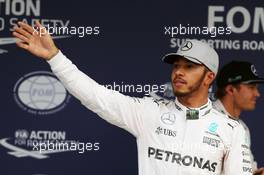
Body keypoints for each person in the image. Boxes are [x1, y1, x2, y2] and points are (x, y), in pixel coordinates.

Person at [12, 21, 253, 175]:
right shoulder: (149, 111)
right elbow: (96, 96)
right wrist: (55, 57)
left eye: (189, 67)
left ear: (209, 77)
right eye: (176, 65)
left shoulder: (230, 129)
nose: (179, 71)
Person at [214, 61, 264, 175]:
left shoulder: (243, 128)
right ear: (231, 89)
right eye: (251, 87)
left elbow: (247, 169)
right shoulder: (203, 117)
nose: (257, 94)